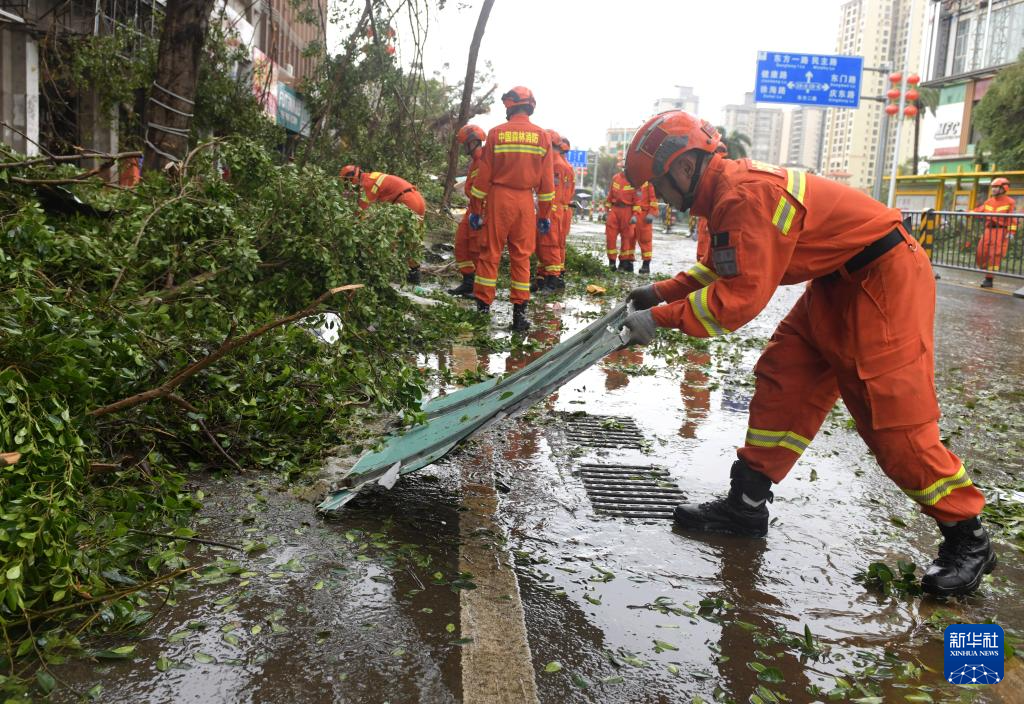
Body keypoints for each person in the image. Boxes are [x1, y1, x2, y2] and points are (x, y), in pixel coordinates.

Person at [619, 110, 994, 597]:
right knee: (786, 376)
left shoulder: (744, 194)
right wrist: (659, 292)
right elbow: (724, 269)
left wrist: (659, 318)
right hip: (839, 280)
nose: (658, 195)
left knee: (892, 420)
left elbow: (738, 300)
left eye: (657, 183)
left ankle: (968, 537)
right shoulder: (729, 194)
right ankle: (746, 505)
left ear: (684, 167)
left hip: (883, 278)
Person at [467, 86, 556, 333]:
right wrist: (545, 214)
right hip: (525, 202)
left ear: (509, 106)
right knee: (522, 256)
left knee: (490, 252)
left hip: (498, 198)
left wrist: (476, 208)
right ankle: (519, 316)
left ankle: (483, 310)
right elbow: (547, 184)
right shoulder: (542, 137)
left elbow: (483, 177)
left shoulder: (496, 134)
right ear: (530, 107)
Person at [340, 165, 426, 283]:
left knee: (388, 237)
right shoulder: (371, 177)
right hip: (418, 199)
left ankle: (380, 271)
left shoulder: (367, 185)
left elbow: (361, 213)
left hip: (407, 201)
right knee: (412, 240)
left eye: (347, 184)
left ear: (351, 179)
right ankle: (414, 273)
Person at [448, 124, 487, 297]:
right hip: (473, 208)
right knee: (461, 244)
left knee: (477, 250)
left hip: (483, 210)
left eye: (465, 143)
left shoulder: (486, 159)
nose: (464, 147)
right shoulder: (474, 162)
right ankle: (468, 282)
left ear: (472, 142)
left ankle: (480, 287)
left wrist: (481, 212)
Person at [535, 128, 571, 295]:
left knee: (550, 244)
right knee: (544, 244)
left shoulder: (555, 163)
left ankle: (552, 280)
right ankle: (543, 279)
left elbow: (553, 189)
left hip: (552, 208)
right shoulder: (559, 162)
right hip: (554, 208)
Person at [972, 177, 1017, 288]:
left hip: (1000, 231)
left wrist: (1011, 232)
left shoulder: (1010, 202)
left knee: (994, 255)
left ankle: (989, 279)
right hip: (988, 231)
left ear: (1004, 188)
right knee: (981, 252)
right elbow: (979, 210)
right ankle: (985, 270)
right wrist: (966, 212)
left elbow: (1013, 218)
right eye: (993, 187)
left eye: (996, 187)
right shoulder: (989, 201)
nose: (993, 189)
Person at [605, 170, 641, 271]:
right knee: (610, 237)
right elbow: (610, 195)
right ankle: (611, 263)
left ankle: (623, 263)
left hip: (628, 210)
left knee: (626, 238)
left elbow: (638, 201)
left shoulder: (635, 181)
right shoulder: (616, 177)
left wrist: (635, 215)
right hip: (615, 209)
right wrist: (606, 211)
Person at [635, 179, 658, 274]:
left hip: (644, 215)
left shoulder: (649, 182)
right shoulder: (633, 181)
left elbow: (653, 199)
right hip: (633, 213)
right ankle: (626, 262)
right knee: (629, 238)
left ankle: (646, 264)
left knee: (645, 239)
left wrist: (652, 213)